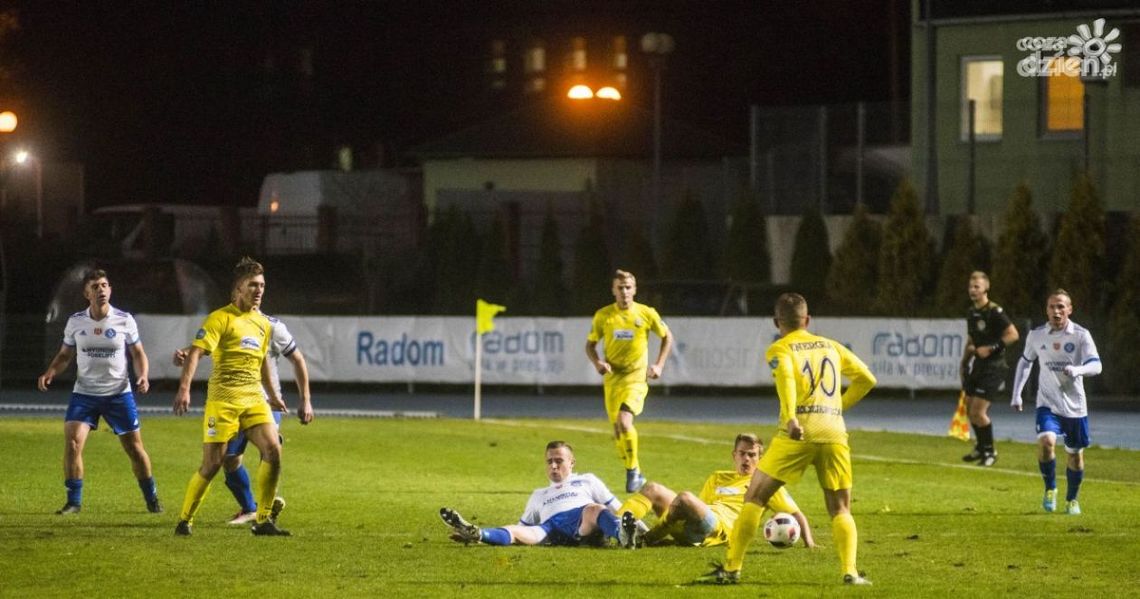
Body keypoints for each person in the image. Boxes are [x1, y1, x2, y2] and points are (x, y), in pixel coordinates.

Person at [701, 293, 876, 586]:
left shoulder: (779, 349)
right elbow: (867, 379)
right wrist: (836, 408)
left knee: (754, 497)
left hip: (798, 431)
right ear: (807, 320)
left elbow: (785, 377)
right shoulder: (831, 346)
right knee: (840, 507)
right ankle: (850, 572)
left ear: (776, 322)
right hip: (833, 431)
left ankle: (732, 570)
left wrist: (791, 417)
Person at [172, 257, 312, 536]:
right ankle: (184, 520)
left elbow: (261, 363)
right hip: (223, 400)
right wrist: (184, 389)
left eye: (261, 285)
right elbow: (197, 352)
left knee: (273, 450)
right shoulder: (220, 319)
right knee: (213, 464)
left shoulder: (263, 324)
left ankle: (262, 520)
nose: (258, 290)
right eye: (252, 285)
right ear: (237, 289)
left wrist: (272, 396)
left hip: (253, 399)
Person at [37, 269, 162, 515]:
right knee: (73, 443)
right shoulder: (76, 322)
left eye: (105, 285)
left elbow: (138, 352)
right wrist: (51, 371)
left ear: (110, 290)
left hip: (118, 394)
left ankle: (152, 497)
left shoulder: (124, 320)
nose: (101, 290)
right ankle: (74, 502)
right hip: (84, 393)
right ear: (86, 293)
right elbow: (65, 355)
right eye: (95, 287)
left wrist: (144, 375)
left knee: (135, 449)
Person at [619, 433, 814, 548]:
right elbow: (701, 506)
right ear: (734, 455)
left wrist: (809, 543)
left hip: (719, 530)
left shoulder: (765, 485)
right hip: (700, 522)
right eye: (742, 454)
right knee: (653, 488)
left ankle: (646, 539)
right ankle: (616, 528)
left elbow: (796, 515)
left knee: (685, 498)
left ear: (759, 459)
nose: (746, 459)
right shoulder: (718, 477)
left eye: (752, 455)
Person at [439, 440, 645, 548]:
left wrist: (644, 532)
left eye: (559, 460)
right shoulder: (538, 494)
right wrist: (507, 534)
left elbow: (617, 507)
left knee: (595, 509)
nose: (554, 465)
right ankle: (477, 534)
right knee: (516, 531)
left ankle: (624, 536)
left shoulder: (587, 480)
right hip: (550, 530)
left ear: (571, 463)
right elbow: (522, 528)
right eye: (549, 461)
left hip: (581, 521)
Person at [1011, 289, 1101, 515]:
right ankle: (1050, 488)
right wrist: (1017, 393)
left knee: (1075, 455)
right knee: (1046, 443)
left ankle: (1072, 499)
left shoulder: (1081, 335)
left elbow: (1096, 365)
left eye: (1061, 306)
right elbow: (1025, 363)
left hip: (1075, 407)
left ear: (1069, 309)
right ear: (1046, 310)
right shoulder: (1036, 335)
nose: (1056, 311)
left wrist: (1078, 369)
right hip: (1047, 404)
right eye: (1052, 306)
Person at [585, 269, 674, 493]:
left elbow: (667, 337)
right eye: (620, 288)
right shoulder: (603, 316)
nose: (624, 292)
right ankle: (633, 469)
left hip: (636, 378)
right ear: (613, 290)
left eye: (628, 288)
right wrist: (598, 363)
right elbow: (590, 345)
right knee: (617, 430)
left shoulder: (646, 313)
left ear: (634, 290)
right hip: (612, 380)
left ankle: (632, 471)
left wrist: (659, 365)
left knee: (625, 422)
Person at [959, 270, 1019, 467]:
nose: (973, 290)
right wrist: (964, 361)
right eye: (970, 287)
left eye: (977, 286)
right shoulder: (971, 312)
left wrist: (992, 348)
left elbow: (1013, 334)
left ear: (986, 288)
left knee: (978, 411)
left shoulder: (995, 312)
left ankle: (990, 451)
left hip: (994, 366)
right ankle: (980, 447)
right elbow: (971, 340)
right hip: (978, 365)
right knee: (969, 408)